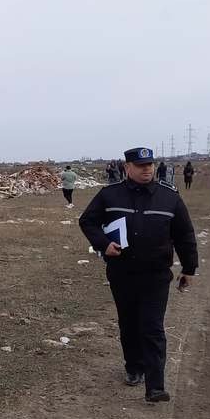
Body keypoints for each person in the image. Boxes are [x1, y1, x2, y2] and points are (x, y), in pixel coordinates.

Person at [79, 147, 198, 403]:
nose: (147, 169)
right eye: (141, 165)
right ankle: (134, 367)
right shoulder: (110, 195)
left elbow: (185, 235)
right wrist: (103, 244)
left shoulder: (169, 197)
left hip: (156, 276)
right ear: (127, 167)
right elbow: (87, 221)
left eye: (150, 165)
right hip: (122, 274)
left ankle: (155, 386)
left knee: (152, 327)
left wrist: (189, 268)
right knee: (129, 323)